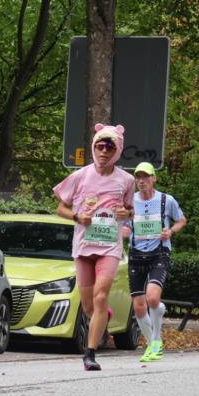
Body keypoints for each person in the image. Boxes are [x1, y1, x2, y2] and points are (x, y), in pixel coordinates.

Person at [54, 123, 135, 371]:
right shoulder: (80, 176)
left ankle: (90, 354)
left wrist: (126, 212)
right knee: (89, 305)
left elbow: (133, 210)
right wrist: (78, 217)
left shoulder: (127, 180)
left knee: (101, 297)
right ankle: (104, 318)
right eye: (100, 146)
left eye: (109, 147)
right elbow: (60, 208)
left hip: (109, 247)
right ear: (93, 148)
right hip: (83, 246)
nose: (103, 151)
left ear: (117, 150)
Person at [120, 162, 187, 362]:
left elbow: (182, 220)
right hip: (136, 255)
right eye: (138, 178)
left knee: (152, 298)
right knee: (139, 306)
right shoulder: (129, 203)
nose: (141, 182)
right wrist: (124, 232)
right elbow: (124, 226)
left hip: (159, 253)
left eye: (145, 177)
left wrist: (170, 231)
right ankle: (152, 344)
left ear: (153, 178)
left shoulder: (167, 200)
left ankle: (156, 338)